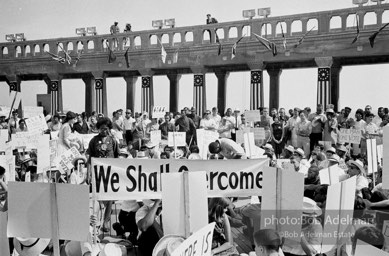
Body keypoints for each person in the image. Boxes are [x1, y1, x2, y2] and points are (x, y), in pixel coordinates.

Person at [87, 117, 119, 233]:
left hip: (110, 173)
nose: (103, 131)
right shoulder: (93, 141)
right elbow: (89, 158)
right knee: (97, 197)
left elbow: (117, 157)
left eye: (105, 129)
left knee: (109, 197)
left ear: (109, 129)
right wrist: (89, 174)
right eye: (101, 129)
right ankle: (97, 220)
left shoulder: (113, 141)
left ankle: (106, 221)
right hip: (97, 173)